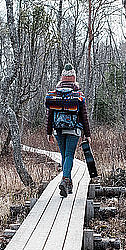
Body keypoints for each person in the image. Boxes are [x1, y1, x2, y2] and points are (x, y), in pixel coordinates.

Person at [45, 64, 91, 197]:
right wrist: (87, 134)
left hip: (58, 130)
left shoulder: (55, 96)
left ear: (62, 79)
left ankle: (68, 184)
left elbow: (50, 116)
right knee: (69, 155)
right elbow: (84, 116)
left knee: (64, 155)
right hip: (73, 129)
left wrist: (49, 132)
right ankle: (65, 180)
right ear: (73, 79)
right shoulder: (78, 95)